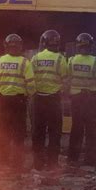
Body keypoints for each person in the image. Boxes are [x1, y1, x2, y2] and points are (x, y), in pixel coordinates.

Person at [0, 34, 36, 169]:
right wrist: (30, 95)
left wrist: (0, 88)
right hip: (19, 102)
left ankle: (3, 161)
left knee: (4, 131)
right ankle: (17, 162)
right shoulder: (24, 62)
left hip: (3, 101)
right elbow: (31, 84)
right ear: (20, 47)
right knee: (19, 133)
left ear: (6, 46)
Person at [67, 33, 96, 166]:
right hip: (92, 101)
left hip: (76, 100)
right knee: (92, 131)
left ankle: (72, 158)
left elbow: (66, 79)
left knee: (76, 130)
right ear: (91, 47)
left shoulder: (71, 61)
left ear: (78, 47)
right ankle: (90, 160)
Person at [31, 30, 68, 170]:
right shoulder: (60, 59)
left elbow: (30, 77)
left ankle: (38, 163)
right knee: (54, 132)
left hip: (38, 99)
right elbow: (65, 81)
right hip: (53, 100)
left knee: (38, 132)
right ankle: (52, 163)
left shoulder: (35, 58)